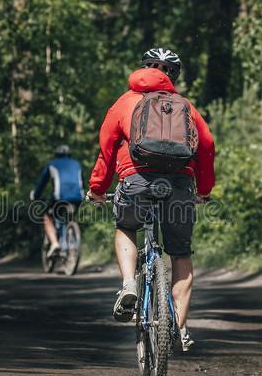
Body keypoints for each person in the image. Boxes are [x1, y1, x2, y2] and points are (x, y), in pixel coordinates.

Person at [86, 48, 215, 351]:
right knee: (181, 253)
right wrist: (204, 190)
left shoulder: (125, 102)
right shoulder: (185, 106)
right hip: (180, 184)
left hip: (136, 180)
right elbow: (207, 147)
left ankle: (130, 284)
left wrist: (98, 188)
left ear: (143, 68)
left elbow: (106, 149)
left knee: (125, 225)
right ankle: (179, 327)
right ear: (173, 75)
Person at [31, 145, 85, 258]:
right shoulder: (77, 164)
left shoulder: (52, 164)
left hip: (60, 197)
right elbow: (82, 182)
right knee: (68, 217)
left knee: (47, 217)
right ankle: (70, 235)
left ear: (57, 155)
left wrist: (35, 195)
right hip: (78, 198)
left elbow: (42, 183)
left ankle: (55, 243)